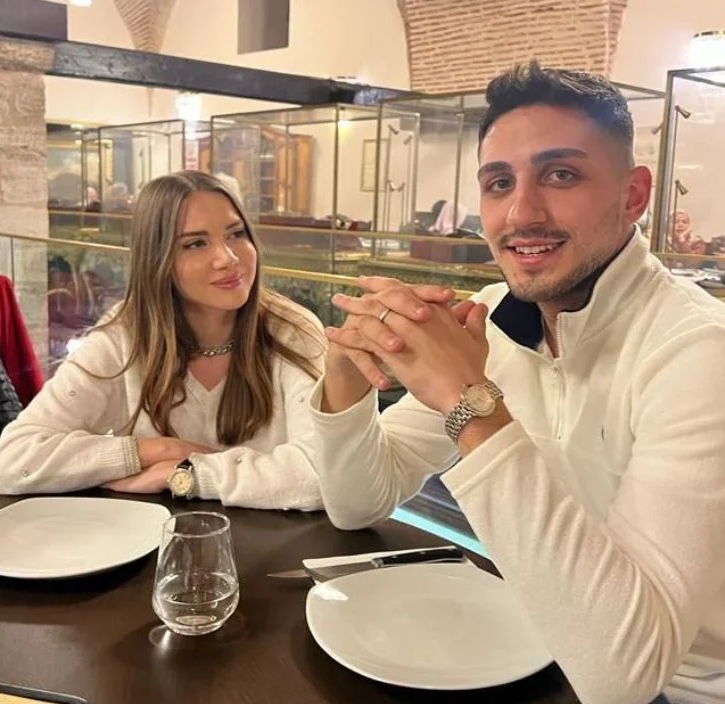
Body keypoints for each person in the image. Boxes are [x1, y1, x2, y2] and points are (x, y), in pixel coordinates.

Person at [309, 62, 725, 704]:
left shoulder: (699, 351)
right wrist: (345, 374)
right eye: (499, 183)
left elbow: (624, 678)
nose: (521, 213)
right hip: (540, 637)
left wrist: (469, 404)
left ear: (634, 195)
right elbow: (358, 503)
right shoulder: (493, 318)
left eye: (561, 175)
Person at [0, 171, 327, 510]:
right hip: (153, 538)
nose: (228, 258)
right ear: (158, 260)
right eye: (195, 243)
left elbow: (325, 475)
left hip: (274, 542)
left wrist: (187, 475)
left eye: (235, 234)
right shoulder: (123, 337)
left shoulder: (292, 331)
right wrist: (161, 449)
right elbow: (14, 461)